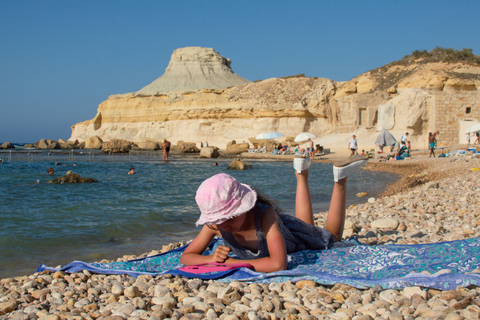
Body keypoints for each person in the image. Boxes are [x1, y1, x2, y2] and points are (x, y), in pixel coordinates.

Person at [180, 155, 368, 273]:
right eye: (219, 219)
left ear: (244, 207)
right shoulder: (215, 225)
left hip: (295, 239)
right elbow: (186, 257)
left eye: (230, 216)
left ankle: (340, 179)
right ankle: (301, 173)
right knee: (305, 223)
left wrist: (230, 264)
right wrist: (210, 259)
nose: (225, 224)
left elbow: (278, 264)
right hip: (285, 229)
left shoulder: (264, 216)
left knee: (331, 237)